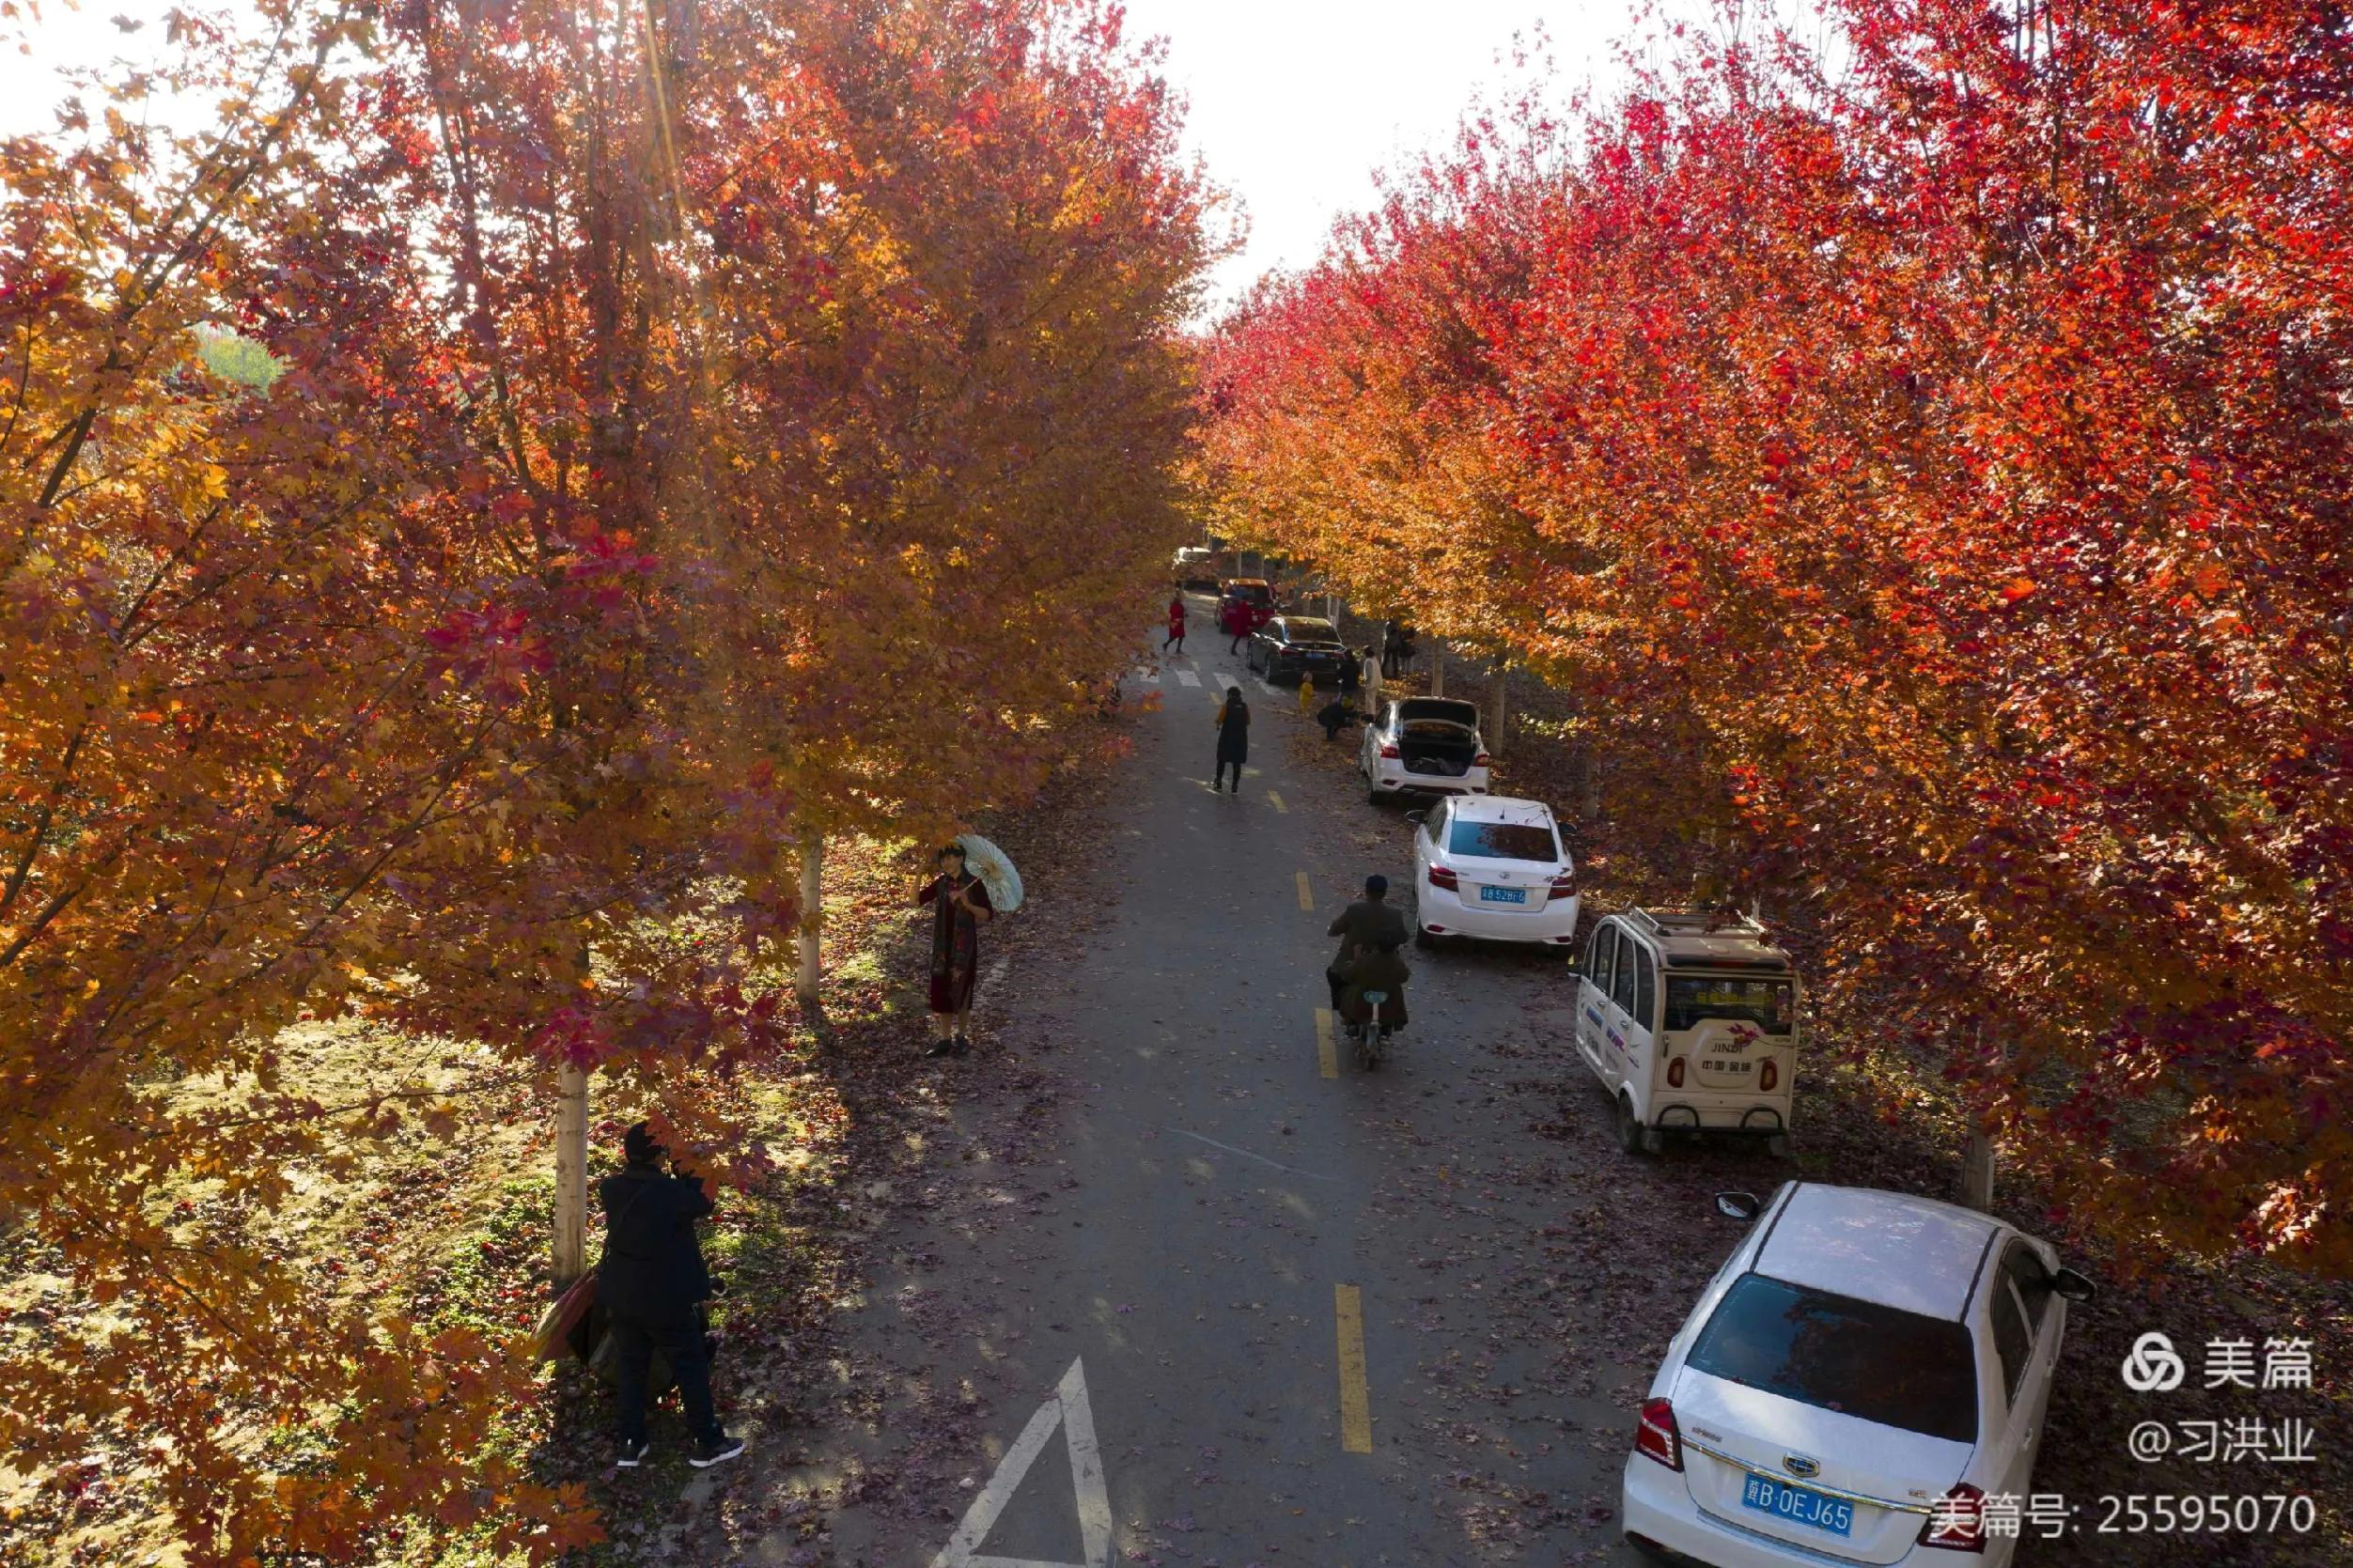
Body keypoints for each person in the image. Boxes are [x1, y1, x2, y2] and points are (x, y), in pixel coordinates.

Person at [600, 1122, 744, 1470]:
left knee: (632, 1365)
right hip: (663, 1298)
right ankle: (708, 1440)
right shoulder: (668, 1194)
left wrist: (673, 1161)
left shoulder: (611, 1188)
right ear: (661, 1156)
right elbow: (702, 1201)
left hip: (621, 1294)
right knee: (690, 1363)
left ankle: (631, 1443)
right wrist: (688, 1164)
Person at [918, 843, 994, 1057]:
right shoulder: (941, 883)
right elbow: (915, 901)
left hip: (964, 946)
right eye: (943, 860)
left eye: (951, 857)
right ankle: (944, 1039)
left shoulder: (974, 884)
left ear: (961, 858)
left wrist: (967, 904)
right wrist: (917, 875)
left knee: (962, 988)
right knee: (942, 988)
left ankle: (961, 1037)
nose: (946, 862)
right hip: (942, 945)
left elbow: (987, 915)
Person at [1326, 874, 1407, 1012]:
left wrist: (1333, 930)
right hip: (1386, 964)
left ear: (1366, 891)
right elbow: (1404, 937)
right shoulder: (1395, 914)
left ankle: (1340, 1007)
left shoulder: (1354, 910)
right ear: (1385, 892)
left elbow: (1335, 929)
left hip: (1353, 961)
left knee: (1333, 975)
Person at [1336, 930, 1411, 1037]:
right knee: (1397, 991)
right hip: (1389, 1007)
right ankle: (1390, 1026)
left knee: (1349, 990)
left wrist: (1355, 960)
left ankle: (1350, 1021)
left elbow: (1347, 975)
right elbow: (1404, 977)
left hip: (1361, 1005)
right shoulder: (1398, 963)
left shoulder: (1365, 960)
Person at [1212, 686, 1250, 793]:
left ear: (1229, 695)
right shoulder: (1244, 706)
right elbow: (1248, 721)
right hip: (1240, 739)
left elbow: (1219, 720)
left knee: (1221, 759)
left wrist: (1217, 724)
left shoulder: (1226, 706)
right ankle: (1234, 786)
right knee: (1236, 762)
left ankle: (1218, 783)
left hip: (1227, 737)